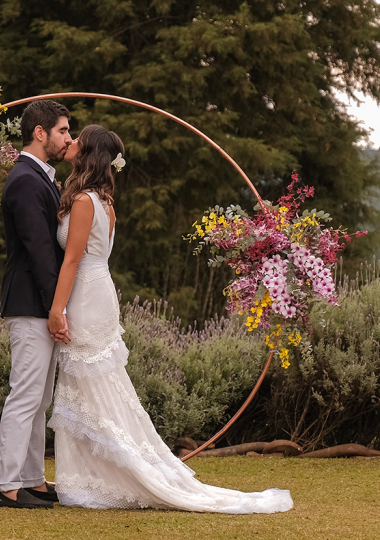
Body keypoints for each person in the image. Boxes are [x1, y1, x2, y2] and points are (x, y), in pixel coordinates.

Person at [46, 124, 294, 514]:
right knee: (96, 389)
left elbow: (73, 260)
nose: (71, 141)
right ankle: (91, 477)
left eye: (78, 138)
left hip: (84, 295)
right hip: (100, 290)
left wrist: (56, 309)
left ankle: (102, 479)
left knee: (90, 387)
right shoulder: (105, 202)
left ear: (89, 153)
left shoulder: (83, 202)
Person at [0, 100, 72, 510]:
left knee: (39, 399)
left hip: (41, 303)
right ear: (39, 132)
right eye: (62, 131)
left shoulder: (42, 177)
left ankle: (33, 480)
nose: (67, 138)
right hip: (30, 302)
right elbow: (40, 250)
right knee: (24, 395)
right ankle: (5, 486)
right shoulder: (24, 180)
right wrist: (56, 307)